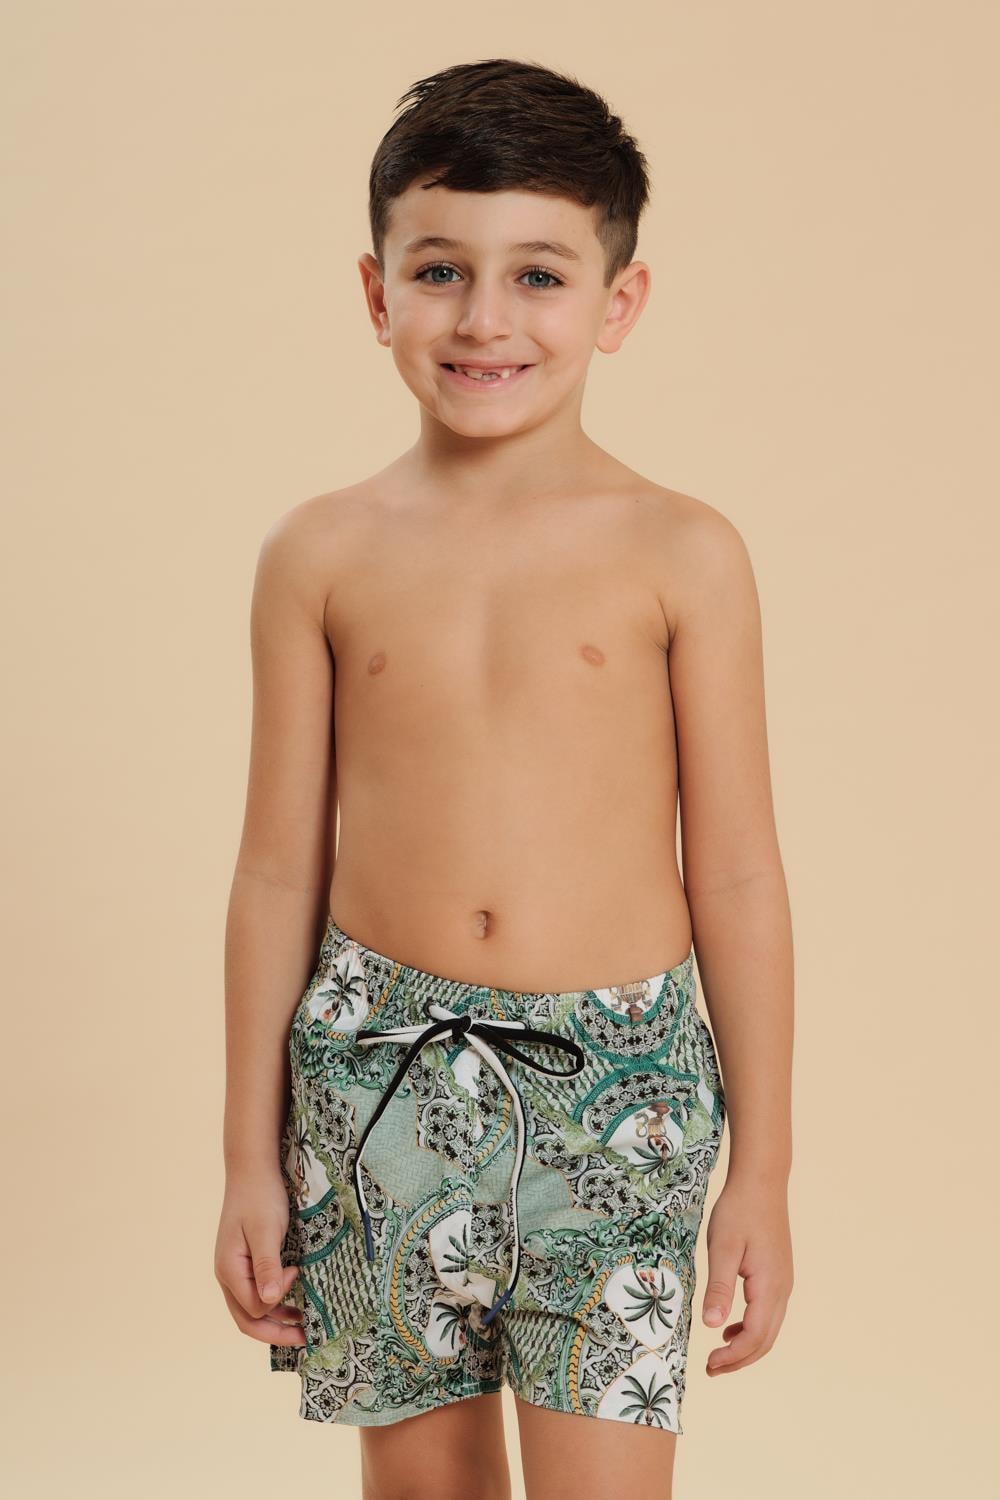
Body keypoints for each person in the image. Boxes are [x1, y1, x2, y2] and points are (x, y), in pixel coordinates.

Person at [214, 56, 794, 1500]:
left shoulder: (684, 553)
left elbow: (736, 872)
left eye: (538, 275)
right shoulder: (320, 553)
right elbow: (277, 869)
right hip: (373, 1074)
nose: (485, 319)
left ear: (618, 302)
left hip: (625, 1086)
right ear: (376, 294)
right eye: (440, 272)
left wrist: (765, 1170)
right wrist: (246, 1158)